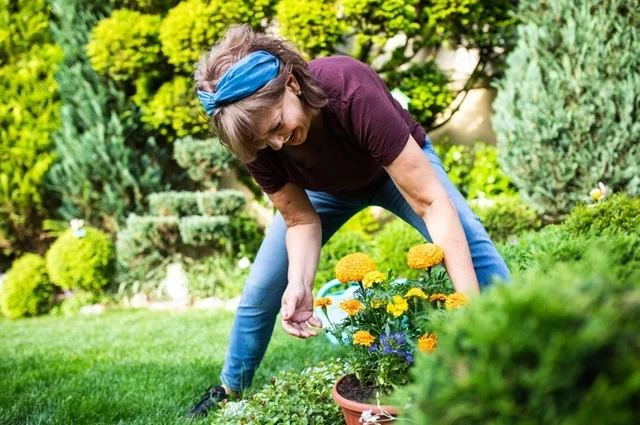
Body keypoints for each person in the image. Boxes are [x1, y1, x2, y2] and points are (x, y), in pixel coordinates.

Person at [188, 24, 510, 417]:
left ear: (291, 84)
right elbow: (299, 220)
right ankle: (230, 390)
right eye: (261, 142)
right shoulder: (251, 135)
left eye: (276, 127)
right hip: (325, 193)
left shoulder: (349, 88)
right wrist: (300, 283)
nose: (274, 145)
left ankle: (514, 356)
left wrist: (467, 314)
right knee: (261, 289)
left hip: (392, 171)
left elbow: (430, 203)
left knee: (472, 248)